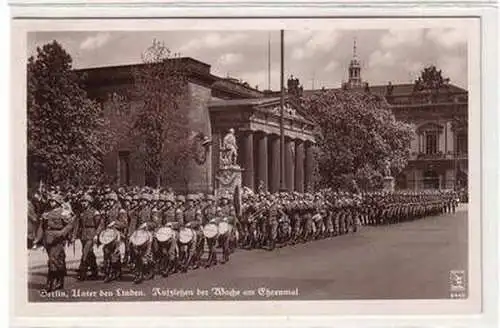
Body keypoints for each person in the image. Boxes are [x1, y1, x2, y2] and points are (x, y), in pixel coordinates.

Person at [33, 192, 75, 291]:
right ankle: (60, 280)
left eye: (53, 201)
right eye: (50, 201)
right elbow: (41, 228)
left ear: (58, 202)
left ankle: (50, 283)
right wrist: (37, 239)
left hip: (57, 239)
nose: (51, 203)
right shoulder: (46, 213)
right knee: (56, 260)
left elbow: (70, 225)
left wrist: (62, 233)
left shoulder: (64, 212)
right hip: (47, 239)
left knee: (53, 260)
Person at [72, 194, 101, 281]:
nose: (83, 203)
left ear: (89, 203)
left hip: (91, 234)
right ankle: (94, 271)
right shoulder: (81, 213)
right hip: (83, 235)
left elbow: (99, 225)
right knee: (89, 253)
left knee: (85, 252)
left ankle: (82, 272)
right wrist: (74, 236)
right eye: (82, 202)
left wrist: (97, 234)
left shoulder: (95, 212)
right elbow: (77, 225)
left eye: (85, 202)